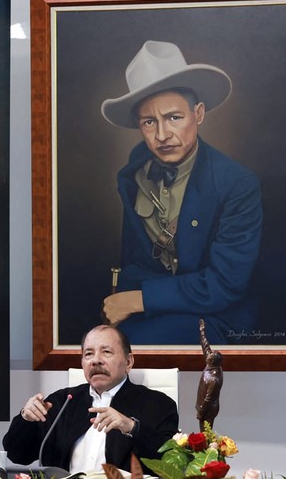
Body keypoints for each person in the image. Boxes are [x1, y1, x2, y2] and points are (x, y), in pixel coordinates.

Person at [100, 40, 263, 344]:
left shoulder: (237, 184)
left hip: (216, 314)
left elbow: (225, 284)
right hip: (150, 309)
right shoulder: (133, 175)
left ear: (198, 113)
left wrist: (140, 299)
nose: (162, 135)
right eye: (149, 122)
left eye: (174, 117)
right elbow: (134, 261)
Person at [3, 325, 178, 474]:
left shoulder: (158, 405)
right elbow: (18, 455)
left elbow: (172, 462)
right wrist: (26, 419)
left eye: (106, 352)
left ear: (129, 362)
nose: (96, 361)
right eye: (88, 354)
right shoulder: (62, 402)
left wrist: (132, 427)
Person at [196, 318, 223, 431]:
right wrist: (202, 331)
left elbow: (208, 398)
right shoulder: (212, 364)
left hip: (208, 410)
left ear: (212, 362)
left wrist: (200, 412)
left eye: (209, 356)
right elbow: (205, 346)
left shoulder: (214, 378)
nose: (207, 355)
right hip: (203, 406)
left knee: (206, 433)